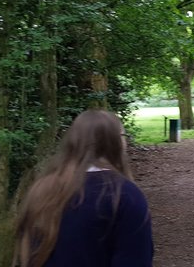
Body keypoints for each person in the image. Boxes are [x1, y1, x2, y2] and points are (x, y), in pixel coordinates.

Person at [15, 109, 153, 267]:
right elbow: (135, 259)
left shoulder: (43, 188)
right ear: (116, 142)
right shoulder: (126, 195)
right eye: (123, 136)